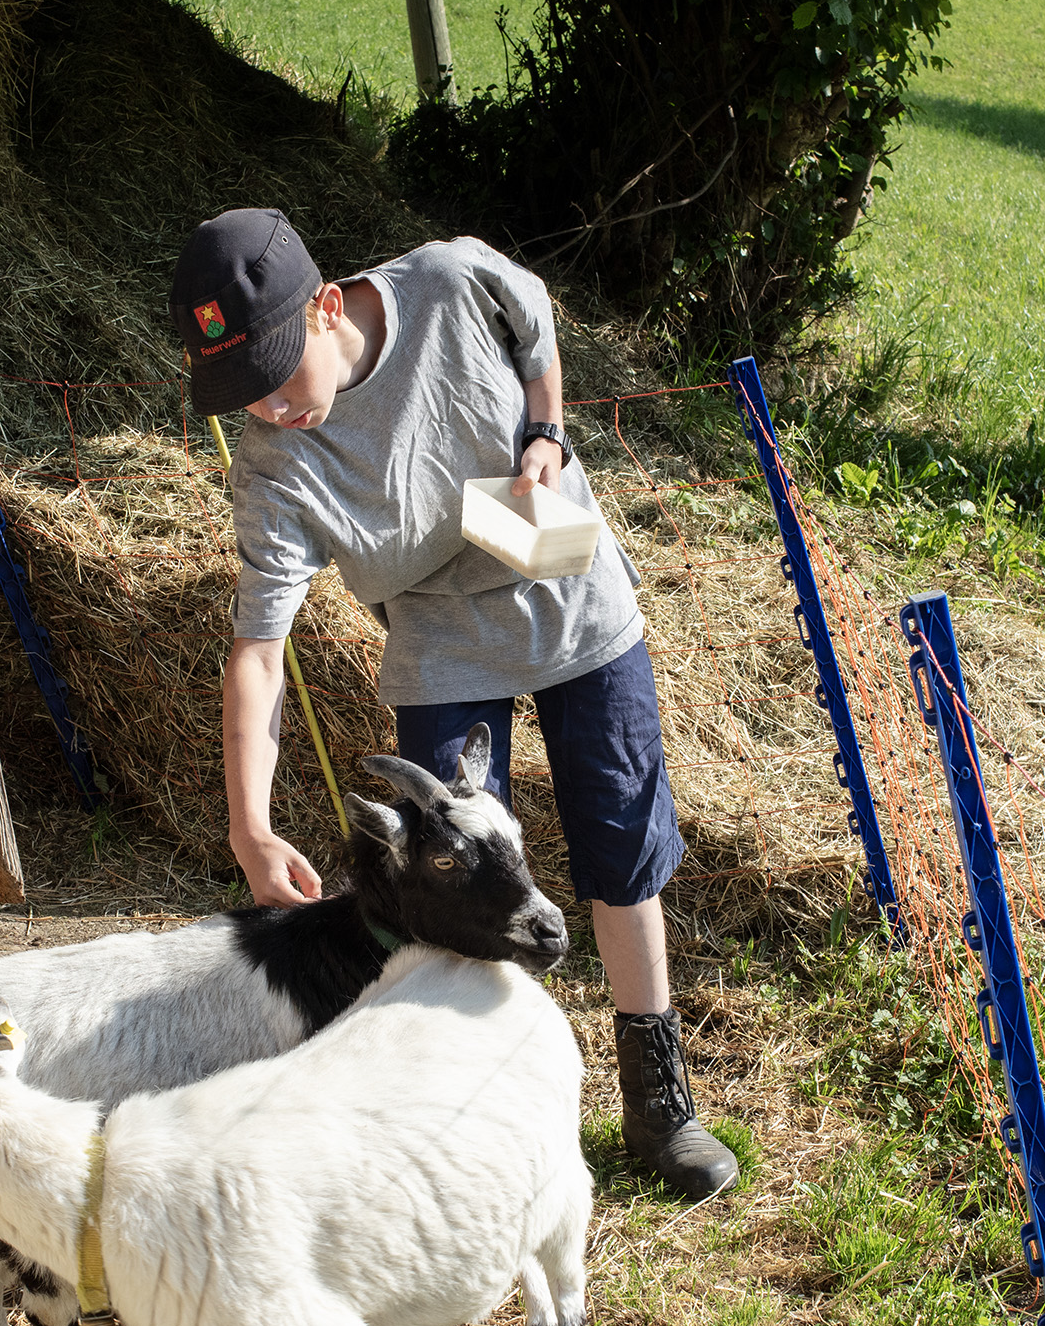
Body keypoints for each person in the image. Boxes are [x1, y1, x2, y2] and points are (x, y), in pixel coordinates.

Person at [170, 208, 737, 1200]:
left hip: (567, 590)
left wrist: (545, 433)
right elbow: (259, 652)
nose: (265, 405)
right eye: (240, 392)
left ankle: (659, 1102)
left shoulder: (450, 281)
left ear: (328, 308)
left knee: (618, 839)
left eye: (272, 369)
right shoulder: (274, 462)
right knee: (449, 880)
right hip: (437, 635)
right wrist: (250, 827)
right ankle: (476, 1117)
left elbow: (536, 323)